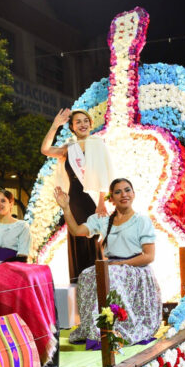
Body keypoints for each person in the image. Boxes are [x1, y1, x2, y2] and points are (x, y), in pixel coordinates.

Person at [55, 179, 162, 345]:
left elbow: (149, 256)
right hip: (111, 266)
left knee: (111, 276)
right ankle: (94, 329)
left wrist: (119, 265)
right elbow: (76, 231)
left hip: (135, 269)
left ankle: (115, 330)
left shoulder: (142, 221)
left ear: (133, 194)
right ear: (111, 199)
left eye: (127, 190)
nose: (124, 194)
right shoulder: (103, 220)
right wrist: (66, 208)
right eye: (118, 192)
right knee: (86, 275)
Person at [41, 108, 115, 278]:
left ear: (90, 123)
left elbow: (104, 173)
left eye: (85, 120)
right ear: (72, 127)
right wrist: (55, 125)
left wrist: (102, 202)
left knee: (95, 240)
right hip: (74, 201)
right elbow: (45, 150)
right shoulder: (69, 148)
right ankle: (78, 283)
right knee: (78, 240)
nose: (82, 124)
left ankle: (100, 286)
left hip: (94, 201)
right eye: (78, 122)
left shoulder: (98, 143)